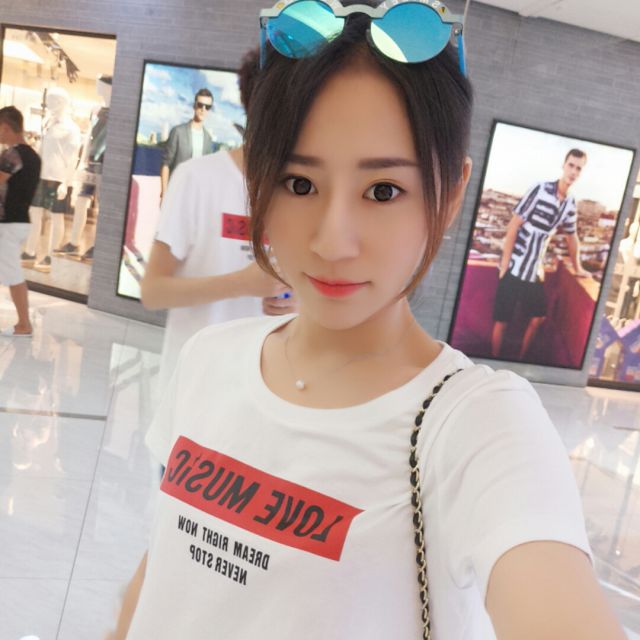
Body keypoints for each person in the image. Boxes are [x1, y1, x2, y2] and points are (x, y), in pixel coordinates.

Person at [110, 2, 625, 639]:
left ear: (450, 193)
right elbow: (165, 561)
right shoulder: (210, 357)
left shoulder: (477, 426)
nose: (332, 241)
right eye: (299, 183)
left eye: (383, 191)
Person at [141, 47, 295, 400]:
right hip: (195, 391)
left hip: (267, 395)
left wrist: (299, 302)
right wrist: (240, 284)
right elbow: (153, 291)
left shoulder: (306, 192)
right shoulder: (196, 178)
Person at [491, 149, 589, 359]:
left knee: (538, 318)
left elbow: (572, 237)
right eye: (571, 165)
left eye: (578, 168)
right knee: (502, 321)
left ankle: (520, 359)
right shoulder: (540, 189)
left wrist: (578, 268)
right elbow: (513, 225)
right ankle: (491, 360)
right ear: (563, 165)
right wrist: (504, 266)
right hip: (514, 267)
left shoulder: (570, 203)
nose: (573, 171)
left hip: (534, 272)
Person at [23, 87, 82, 273]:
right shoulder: (49, 123)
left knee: (57, 216)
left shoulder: (71, 129)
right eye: (47, 101)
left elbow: (73, 158)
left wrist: (66, 182)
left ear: (61, 103)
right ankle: (30, 252)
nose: (48, 105)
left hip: (58, 178)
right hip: (42, 175)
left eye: (51, 101)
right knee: (34, 212)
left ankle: (51, 257)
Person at [0, 106, 41, 336]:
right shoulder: (34, 156)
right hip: (20, 221)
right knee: (9, 270)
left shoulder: (12, 154)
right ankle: (23, 323)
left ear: (5, 127)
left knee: (13, 274)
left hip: (8, 223)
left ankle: (24, 324)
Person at [159, 87, 214, 199]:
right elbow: (166, 164)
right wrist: (164, 194)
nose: (203, 109)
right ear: (194, 105)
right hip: (176, 192)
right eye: (200, 105)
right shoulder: (178, 132)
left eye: (207, 107)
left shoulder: (208, 139)